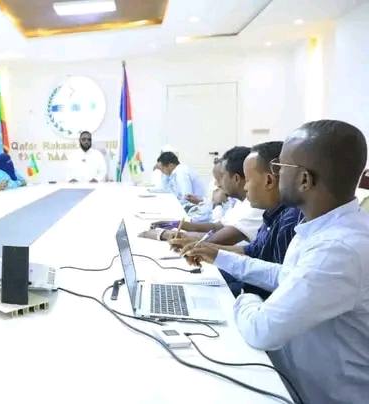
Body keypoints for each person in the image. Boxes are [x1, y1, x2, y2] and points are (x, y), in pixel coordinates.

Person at [184, 120, 369, 404]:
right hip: (290, 378)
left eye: (281, 166)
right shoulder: (322, 226)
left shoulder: (338, 249)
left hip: (316, 395)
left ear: (305, 180)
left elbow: (261, 329)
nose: (275, 174)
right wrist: (219, 256)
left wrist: (242, 297)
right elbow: (286, 276)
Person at [174, 141, 303, 298]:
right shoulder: (272, 213)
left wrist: (209, 251)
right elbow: (252, 251)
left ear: (269, 181)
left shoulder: (290, 221)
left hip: (259, 299)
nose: (245, 187)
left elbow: (279, 284)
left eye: (247, 180)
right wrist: (209, 251)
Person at [141, 146, 264, 246]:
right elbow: (217, 226)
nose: (217, 184)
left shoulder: (255, 206)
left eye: (222, 177)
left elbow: (214, 239)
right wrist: (177, 224)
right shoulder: (242, 203)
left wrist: (164, 234)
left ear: (236, 178)